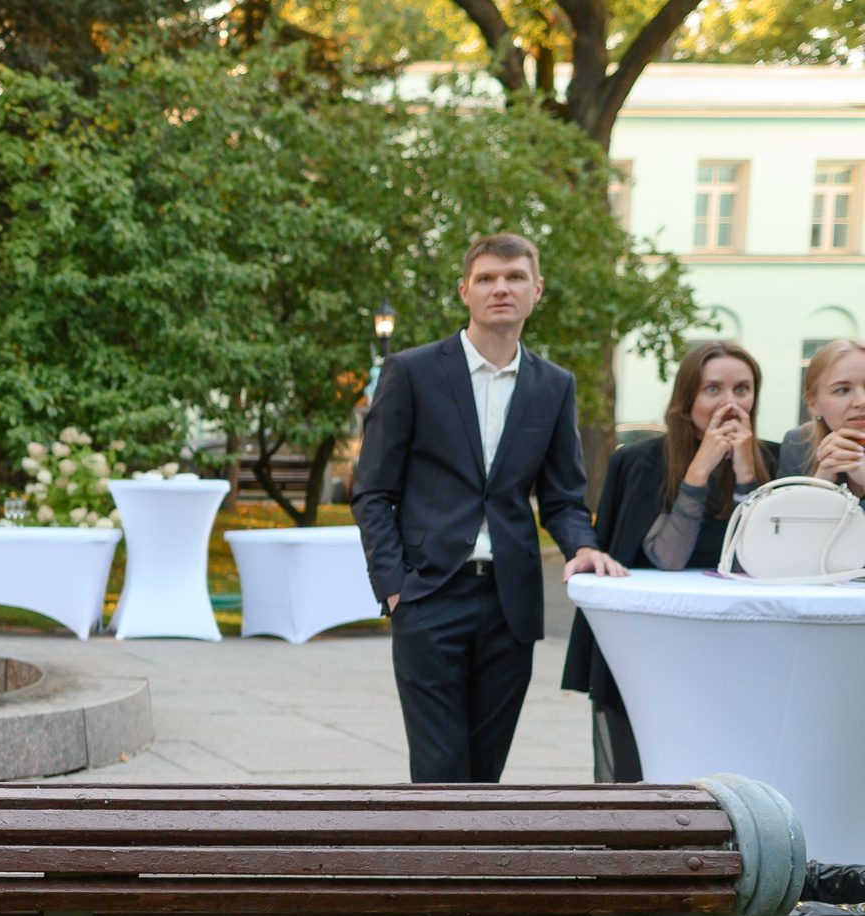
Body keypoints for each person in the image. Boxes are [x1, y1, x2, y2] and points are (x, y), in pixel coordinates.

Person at [351, 233, 626, 783]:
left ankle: (473, 868)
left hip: (511, 604)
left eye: (515, 277)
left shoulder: (554, 385)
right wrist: (395, 585)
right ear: (465, 291)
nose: (501, 288)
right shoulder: (413, 372)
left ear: (536, 289)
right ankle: (438, 869)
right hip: (429, 595)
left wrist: (585, 546)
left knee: (485, 771)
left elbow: (563, 498)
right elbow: (373, 490)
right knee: (439, 767)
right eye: (487, 279)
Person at [562, 342, 774, 781]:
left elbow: (763, 559)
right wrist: (700, 470)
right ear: (687, 398)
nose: (730, 403)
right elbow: (667, 558)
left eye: (742, 389)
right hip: (661, 642)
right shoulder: (641, 461)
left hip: (744, 644)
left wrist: (748, 473)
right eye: (712, 389)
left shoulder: (774, 459)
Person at [779, 338, 865, 488]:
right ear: (813, 404)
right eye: (842, 390)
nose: (861, 401)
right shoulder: (799, 443)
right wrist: (820, 483)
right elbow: (783, 511)